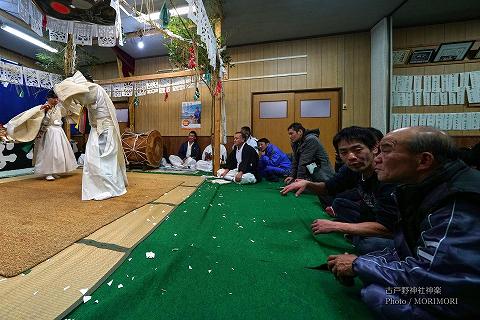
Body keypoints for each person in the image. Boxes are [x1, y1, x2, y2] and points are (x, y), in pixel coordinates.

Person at [327, 127, 480, 319]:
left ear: (424, 160)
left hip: (459, 298)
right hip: (445, 283)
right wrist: (364, 263)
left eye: (386, 150)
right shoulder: (421, 187)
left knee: (378, 295)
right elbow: (407, 247)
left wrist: (359, 265)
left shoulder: (458, 200)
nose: (377, 159)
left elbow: (435, 280)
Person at [282, 126, 398, 254]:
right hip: (372, 216)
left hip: (394, 230)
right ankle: (358, 232)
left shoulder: (388, 176)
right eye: (344, 152)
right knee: (339, 203)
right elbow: (328, 188)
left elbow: (388, 228)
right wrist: (308, 184)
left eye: (357, 150)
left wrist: (337, 226)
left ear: (374, 148)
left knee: (367, 245)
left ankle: (359, 235)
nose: (351, 156)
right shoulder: (352, 169)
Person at [54, 71, 128, 200]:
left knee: (105, 159)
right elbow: (76, 104)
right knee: (93, 159)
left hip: (104, 129)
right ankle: (101, 187)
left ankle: (110, 189)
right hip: (98, 129)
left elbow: (80, 97)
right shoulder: (92, 91)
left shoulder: (94, 89)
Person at [6, 89, 77, 180]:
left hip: (59, 131)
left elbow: (67, 112)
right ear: (48, 98)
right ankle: (48, 172)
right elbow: (39, 121)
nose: (56, 100)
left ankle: (55, 171)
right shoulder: (42, 107)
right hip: (49, 132)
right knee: (49, 153)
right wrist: (45, 112)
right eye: (53, 98)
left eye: (57, 98)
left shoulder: (59, 107)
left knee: (59, 153)